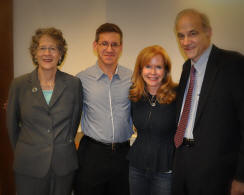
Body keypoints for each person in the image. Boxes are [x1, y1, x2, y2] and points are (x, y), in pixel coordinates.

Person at [172, 8, 244, 195]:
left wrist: (241, 177)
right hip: (182, 167)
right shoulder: (187, 68)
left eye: (192, 33)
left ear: (208, 32)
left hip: (217, 174)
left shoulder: (233, 64)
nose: (186, 42)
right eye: (181, 36)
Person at [7, 27, 83, 195]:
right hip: (28, 164)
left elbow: (73, 122)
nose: (47, 53)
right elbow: (12, 127)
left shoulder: (73, 84)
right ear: (35, 53)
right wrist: (27, 149)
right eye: (42, 48)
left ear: (60, 54)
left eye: (53, 48)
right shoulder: (19, 85)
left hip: (63, 164)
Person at [75, 23, 133, 195]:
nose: (109, 49)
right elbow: (63, 105)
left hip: (123, 155)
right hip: (92, 154)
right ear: (95, 46)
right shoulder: (81, 79)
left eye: (114, 44)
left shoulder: (133, 78)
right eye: (104, 43)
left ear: (121, 47)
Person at [127, 45, 177, 195]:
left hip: (165, 168)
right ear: (140, 70)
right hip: (137, 167)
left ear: (166, 70)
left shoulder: (177, 94)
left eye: (158, 67)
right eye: (148, 66)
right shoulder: (135, 95)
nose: (153, 72)